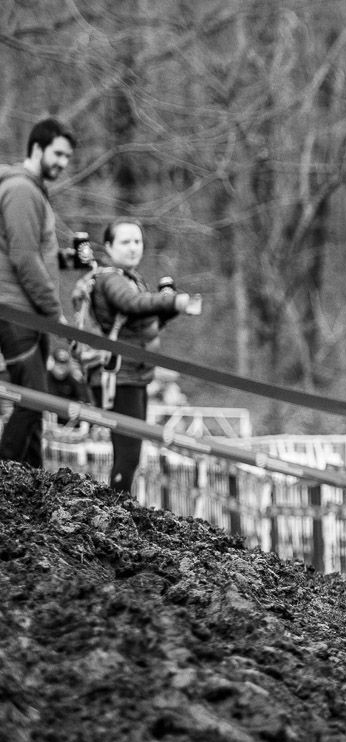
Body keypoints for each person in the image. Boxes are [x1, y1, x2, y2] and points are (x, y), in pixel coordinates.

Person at [77, 219, 198, 493]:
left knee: (131, 452)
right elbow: (131, 304)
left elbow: (145, 328)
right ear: (108, 246)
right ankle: (114, 513)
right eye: (125, 242)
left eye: (138, 241)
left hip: (135, 374)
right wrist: (170, 300)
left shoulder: (133, 280)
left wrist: (167, 310)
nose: (133, 248)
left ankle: (117, 511)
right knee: (128, 452)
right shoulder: (110, 278)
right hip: (118, 376)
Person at [0, 117, 75, 468]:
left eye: (68, 157)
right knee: (35, 398)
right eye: (58, 154)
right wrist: (53, 312)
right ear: (37, 148)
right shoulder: (22, 190)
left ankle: (32, 485)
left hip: (29, 311)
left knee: (33, 401)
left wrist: (65, 259)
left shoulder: (33, 190)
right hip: (15, 309)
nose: (63, 163)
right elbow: (24, 257)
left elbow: (32, 250)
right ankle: (5, 472)